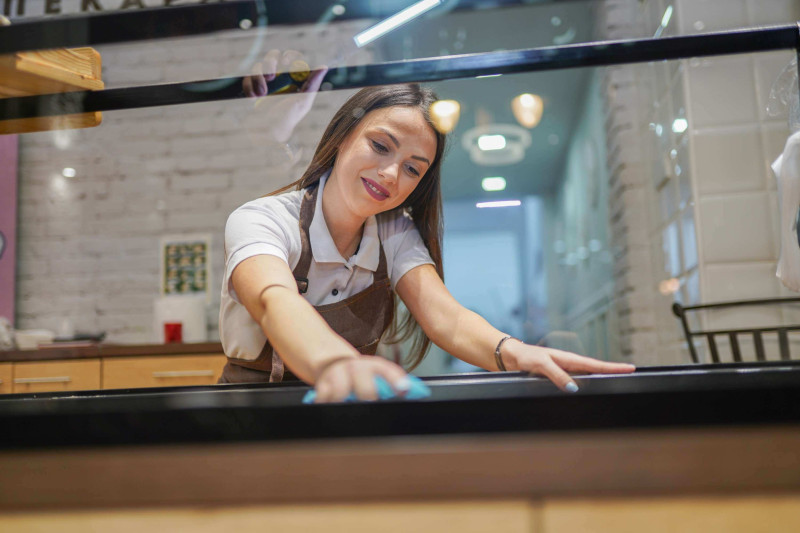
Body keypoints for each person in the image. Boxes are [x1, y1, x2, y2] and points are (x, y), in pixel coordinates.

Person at [219, 83, 635, 402]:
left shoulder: (394, 231)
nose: (390, 174)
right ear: (343, 136)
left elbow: (447, 319)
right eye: (380, 146)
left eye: (412, 169)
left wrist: (515, 352)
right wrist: (337, 364)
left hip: (348, 408)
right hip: (253, 411)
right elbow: (276, 302)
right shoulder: (262, 219)